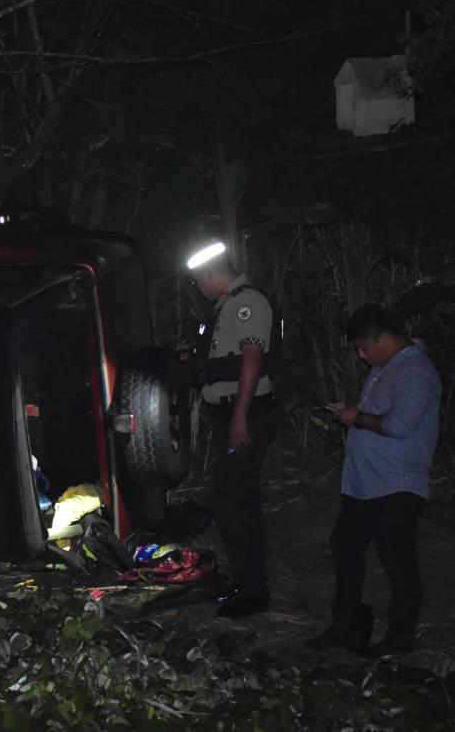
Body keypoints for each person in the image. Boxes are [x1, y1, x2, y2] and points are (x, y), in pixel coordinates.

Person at [307, 304, 440, 654]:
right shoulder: (386, 368)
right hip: (364, 485)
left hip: (396, 485)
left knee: (398, 560)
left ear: (385, 338)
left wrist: (356, 418)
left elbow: (399, 425)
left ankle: (399, 639)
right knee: (346, 547)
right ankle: (345, 626)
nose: (361, 355)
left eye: (364, 347)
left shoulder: (414, 372)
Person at [186, 240, 280, 618]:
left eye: (199, 281)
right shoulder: (226, 307)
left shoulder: (247, 304)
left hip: (249, 414)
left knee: (231, 501)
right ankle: (246, 582)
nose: (199, 288)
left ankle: (254, 591)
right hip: (233, 415)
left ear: (210, 275)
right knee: (235, 500)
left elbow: (252, 361)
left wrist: (240, 415)